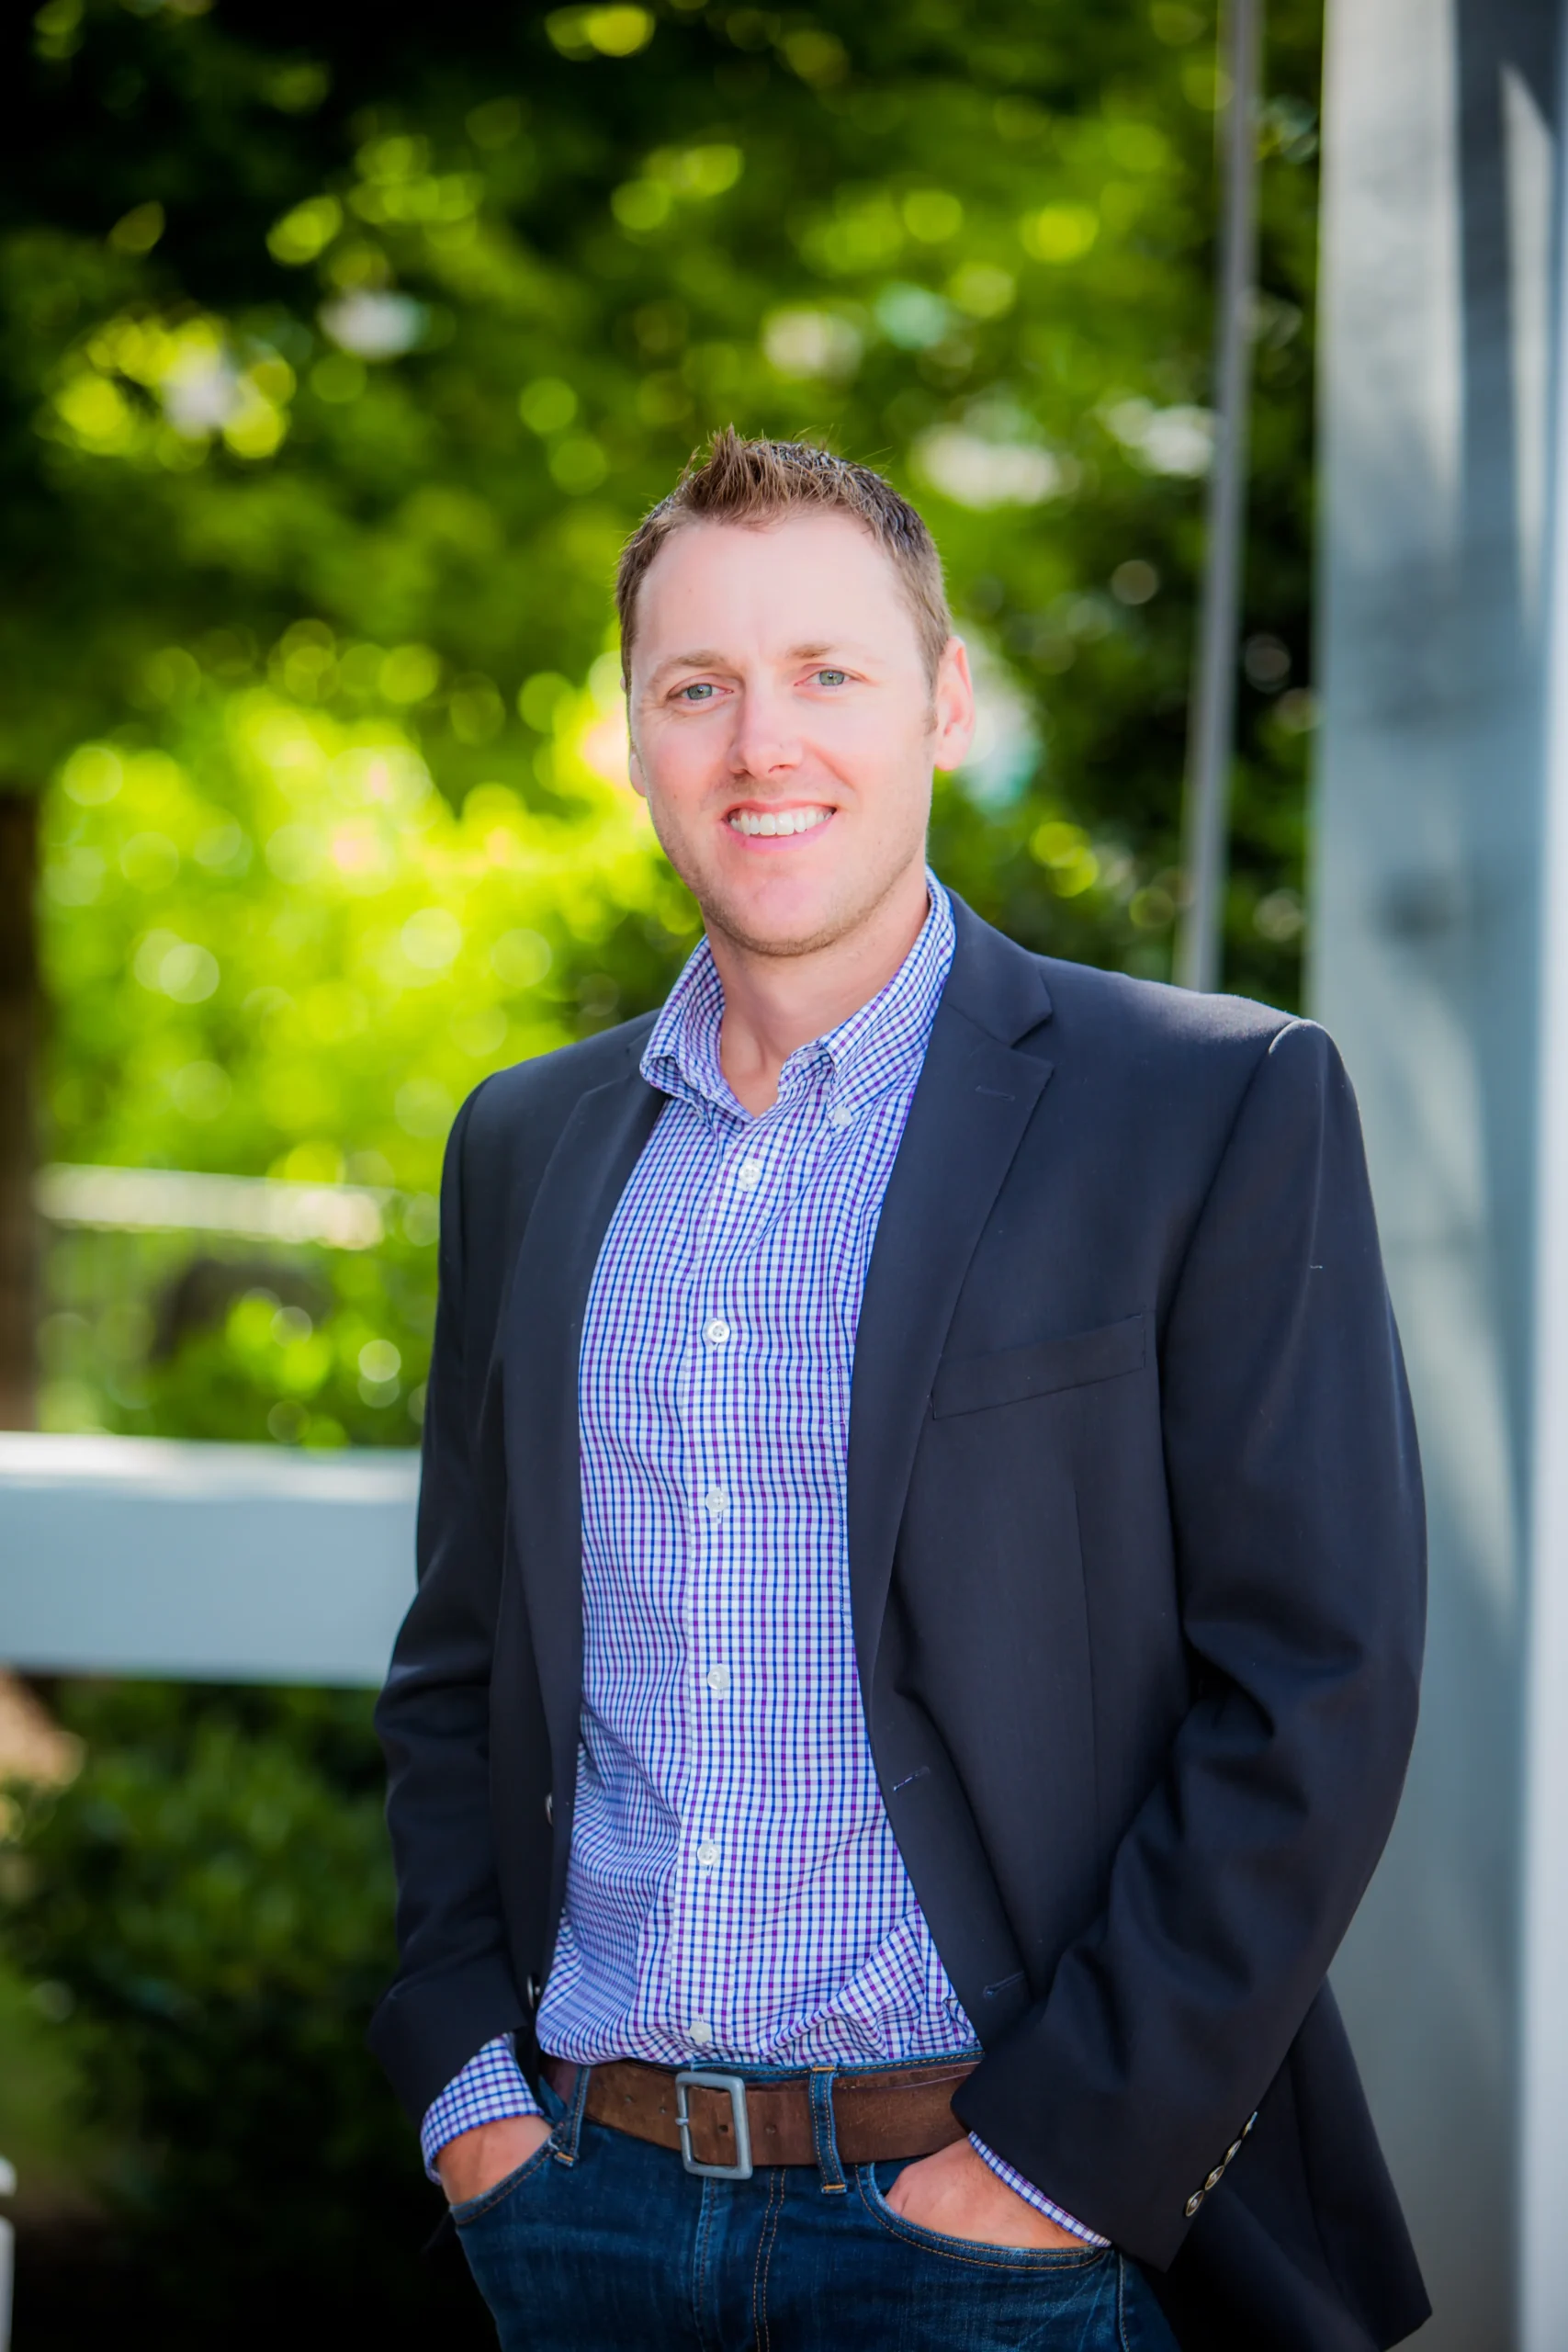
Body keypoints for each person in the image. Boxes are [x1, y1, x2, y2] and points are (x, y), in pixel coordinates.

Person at [371, 430, 1430, 2352]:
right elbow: (461, 1662)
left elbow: (1316, 1674)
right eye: (697, 687)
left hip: (1002, 2227)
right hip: (575, 2208)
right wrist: (467, 2093)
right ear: (632, 736)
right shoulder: (523, 1145)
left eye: (824, 674)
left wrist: (1055, 2167)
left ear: (941, 701)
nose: (758, 742)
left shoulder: (1202, 1105)